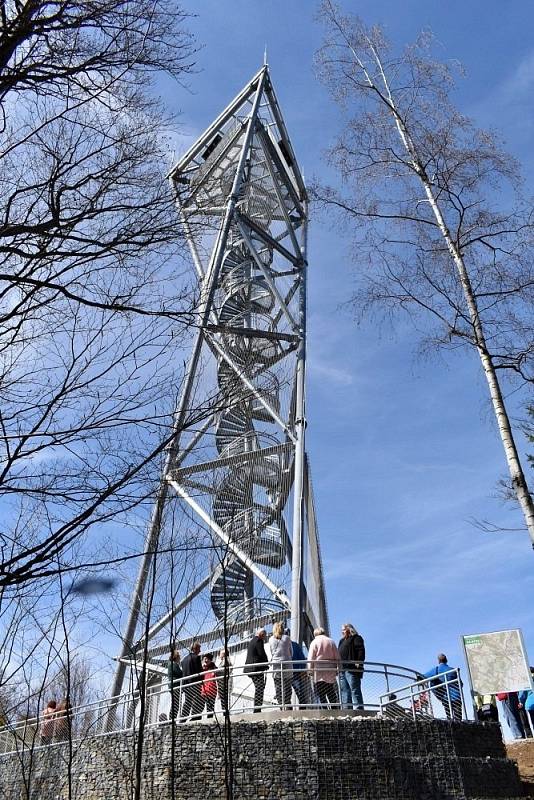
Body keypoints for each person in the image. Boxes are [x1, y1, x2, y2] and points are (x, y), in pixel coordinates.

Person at [422, 653, 462, 721]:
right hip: (456, 697)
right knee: (459, 720)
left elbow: (423, 676)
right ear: (446, 660)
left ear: (438, 661)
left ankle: (452, 728)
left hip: (445, 698)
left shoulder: (436, 670)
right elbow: (461, 684)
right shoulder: (453, 670)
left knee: (450, 719)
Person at [308, 627, 340, 708]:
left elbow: (311, 658)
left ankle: (324, 709)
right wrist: (338, 668)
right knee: (331, 692)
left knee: (321, 693)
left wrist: (310, 670)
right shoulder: (331, 641)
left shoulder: (314, 642)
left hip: (319, 671)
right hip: (330, 670)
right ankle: (334, 709)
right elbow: (337, 657)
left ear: (315, 634)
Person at [337, 623, 365, 710]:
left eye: (344, 630)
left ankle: (359, 708)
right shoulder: (341, 641)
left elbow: (360, 650)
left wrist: (358, 662)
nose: (342, 632)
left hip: (351, 668)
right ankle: (347, 709)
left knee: (354, 689)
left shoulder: (356, 638)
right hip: (342, 669)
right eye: (341, 630)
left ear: (349, 629)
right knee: (344, 690)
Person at [244, 628, 269, 712]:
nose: (265, 637)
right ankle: (257, 708)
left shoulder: (252, 641)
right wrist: (266, 664)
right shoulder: (259, 641)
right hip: (256, 669)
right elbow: (261, 653)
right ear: (261, 634)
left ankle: (257, 708)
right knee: (260, 687)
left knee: (259, 687)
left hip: (250, 669)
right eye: (264, 635)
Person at [269, 622, 293, 709]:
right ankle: (288, 706)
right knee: (287, 688)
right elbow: (291, 652)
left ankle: (281, 707)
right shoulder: (287, 638)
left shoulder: (271, 639)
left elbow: (272, 652)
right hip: (287, 665)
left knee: (278, 688)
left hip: (276, 667)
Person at [287, 632, 310, 708]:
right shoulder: (295, 645)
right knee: (299, 691)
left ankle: (288, 709)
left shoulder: (283, 646)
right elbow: (302, 659)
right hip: (296, 672)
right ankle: (302, 708)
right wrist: (303, 670)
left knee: (286, 692)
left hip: (287, 673)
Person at [181, 641, 203, 720]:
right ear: (195, 648)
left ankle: (183, 719)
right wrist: (202, 680)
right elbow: (199, 671)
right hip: (195, 684)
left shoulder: (183, 660)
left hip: (186, 685)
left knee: (188, 702)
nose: (200, 651)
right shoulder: (196, 658)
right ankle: (195, 717)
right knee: (198, 700)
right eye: (199, 649)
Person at [167, 647, 183, 721]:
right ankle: (172, 719)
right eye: (179, 657)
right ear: (176, 657)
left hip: (172, 686)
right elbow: (180, 673)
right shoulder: (174, 665)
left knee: (174, 703)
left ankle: (172, 719)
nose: (180, 658)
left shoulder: (170, 664)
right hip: (175, 686)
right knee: (175, 704)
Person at [200, 653, 218, 719]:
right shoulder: (202, 668)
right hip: (203, 691)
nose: (205, 660)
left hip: (211, 691)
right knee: (200, 707)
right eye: (204, 659)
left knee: (210, 708)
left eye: (207, 659)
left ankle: (209, 720)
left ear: (210, 660)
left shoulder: (214, 668)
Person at [216, 648, 233, 713]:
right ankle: (225, 713)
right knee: (223, 700)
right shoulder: (225, 660)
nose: (219, 655)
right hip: (222, 683)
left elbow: (222, 670)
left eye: (220, 653)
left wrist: (216, 671)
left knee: (224, 700)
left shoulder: (225, 660)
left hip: (224, 683)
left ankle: (225, 713)